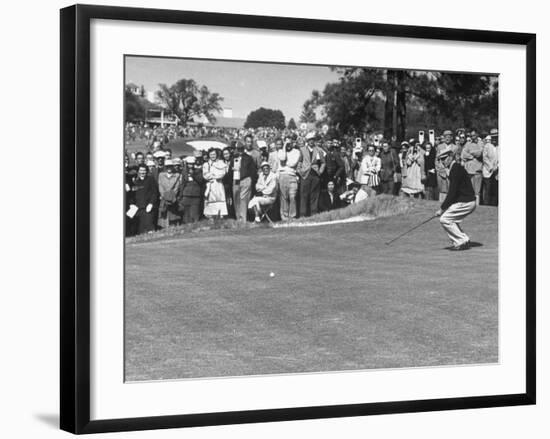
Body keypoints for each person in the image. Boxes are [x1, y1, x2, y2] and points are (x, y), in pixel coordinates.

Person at [435, 150, 477, 251]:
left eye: (444, 159)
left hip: (466, 202)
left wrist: (442, 209)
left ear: (450, 157)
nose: (443, 162)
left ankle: (461, 240)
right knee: (450, 219)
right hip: (466, 201)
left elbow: (452, 192)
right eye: (441, 160)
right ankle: (463, 240)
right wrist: (446, 207)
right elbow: (454, 193)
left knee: (444, 219)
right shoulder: (454, 168)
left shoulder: (455, 169)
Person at [298, 132, 326, 217]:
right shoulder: (302, 149)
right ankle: (303, 214)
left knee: (314, 195)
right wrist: (299, 170)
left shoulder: (319, 150)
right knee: (304, 195)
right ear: (307, 141)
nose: (311, 141)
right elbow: (299, 161)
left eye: (313, 140)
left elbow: (323, 162)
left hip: (315, 175)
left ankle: (313, 214)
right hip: (305, 174)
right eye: (310, 140)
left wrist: (320, 171)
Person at [230, 142, 258, 221]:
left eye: (241, 148)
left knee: (243, 199)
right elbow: (230, 171)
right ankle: (238, 218)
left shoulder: (248, 158)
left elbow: (253, 171)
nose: (240, 150)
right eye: (238, 149)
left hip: (245, 179)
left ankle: (243, 219)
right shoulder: (233, 158)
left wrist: (251, 181)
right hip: (235, 181)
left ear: (244, 148)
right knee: (236, 199)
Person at [278, 138, 301, 220]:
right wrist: (284, 146)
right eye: (286, 143)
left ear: (293, 143)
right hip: (283, 175)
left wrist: (285, 163)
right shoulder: (281, 151)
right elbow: (282, 158)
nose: (288, 145)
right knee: (284, 197)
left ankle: (292, 215)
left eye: (289, 143)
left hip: (292, 176)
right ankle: (285, 216)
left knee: (292, 196)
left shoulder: (296, 152)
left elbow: (292, 163)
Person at [131, 164, 158, 234]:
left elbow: (155, 193)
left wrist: (151, 203)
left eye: (144, 170)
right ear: (138, 171)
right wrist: (132, 204)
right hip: (138, 209)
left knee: (150, 229)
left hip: (148, 208)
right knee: (141, 230)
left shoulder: (150, 179)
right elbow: (133, 195)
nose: (142, 172)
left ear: (147, 171)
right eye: (141, 170)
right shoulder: (135, 182)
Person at [202, 148, 228, 218]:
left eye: (214, 154)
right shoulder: (206, 164)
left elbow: (222, 173)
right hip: (211, 184)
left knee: (220, 199)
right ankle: (211, 217)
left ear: (216, 155)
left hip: (219, 185)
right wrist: (212, 176)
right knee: (211, 199)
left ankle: (220, 216)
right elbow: (205, 175)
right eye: (211, 154)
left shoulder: (221, 163)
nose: (212, 156)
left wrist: (214, 175)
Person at [461, 129, 484, 204]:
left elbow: (479, 153)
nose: (472, 137)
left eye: (474, 135)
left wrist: (470, 152)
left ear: (477, 135)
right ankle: (470, 205)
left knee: (477, 190)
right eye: (471, 135)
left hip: (478, 169)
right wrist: (472, 156)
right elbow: (463, 155)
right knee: (470, 189)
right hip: (469, 169)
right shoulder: (468, 143)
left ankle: (477, 205)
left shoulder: (481, 143)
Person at [157, 160, 182, 228]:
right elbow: (160, 186)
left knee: (173, 215)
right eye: (167, 166)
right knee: (164, 214)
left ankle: (173, 227)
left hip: (173, 198)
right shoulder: (161, 175)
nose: (169, 168)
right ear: (165, 167)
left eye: (170, 166)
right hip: (164, 198)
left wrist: (171, 196)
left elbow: (176, 188)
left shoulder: (177, 175)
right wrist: (164, 196)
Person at [180, 156, 205, 224]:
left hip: (196, 195)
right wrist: (181, 195)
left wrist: (193, 174)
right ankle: (186, 227)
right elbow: (183, 183)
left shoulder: (199, 171)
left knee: (194, 213)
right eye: (189, 164)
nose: (190, 165)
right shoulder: (184, 172)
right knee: (186, 213)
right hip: (186, 194)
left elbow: (200, 180)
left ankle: (194, 226)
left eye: (192, 164)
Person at [435, 130, 457, 202]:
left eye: (449, 137)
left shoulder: (455, 147)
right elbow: (436, 159)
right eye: (445, 137)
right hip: (441, 170)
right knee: (442, 189)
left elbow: (457, 160)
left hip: (451, 171)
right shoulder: (440, 146)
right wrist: (439, 168)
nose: (447, 138)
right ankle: (441, 203)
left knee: (451, 188)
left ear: (451, 138)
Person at [482, 129, 499, 206]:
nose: (495, 139)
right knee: (488, 189)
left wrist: (497, 167)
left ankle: (494, 204)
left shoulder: (500, 146)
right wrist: (491, 167)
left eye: (496, 137)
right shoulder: (487, 146)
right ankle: (486, 204)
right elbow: (485, 158)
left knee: (496, 189)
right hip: (488, 171)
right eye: (493, 137)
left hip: (497, 172)